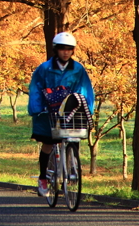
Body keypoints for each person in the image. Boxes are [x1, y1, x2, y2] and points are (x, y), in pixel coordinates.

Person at [27, 31, 95, 197]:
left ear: (73, 50)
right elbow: (36, 88)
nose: (66, 51)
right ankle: (43, 177)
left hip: (70, 112)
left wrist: (86, 109)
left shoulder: (78, 69)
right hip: (47, 112)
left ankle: (72, 169)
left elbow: (84, 89)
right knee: (48, 143)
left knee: (74, 138)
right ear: (56, 49)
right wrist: (37, 108)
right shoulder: (44, 68)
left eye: (69, 49)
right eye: (62, 48)